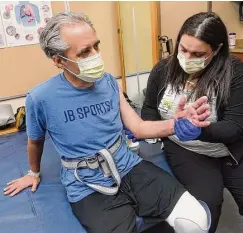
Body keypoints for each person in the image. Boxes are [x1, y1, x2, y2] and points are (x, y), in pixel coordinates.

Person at [3, 12, 212, 233]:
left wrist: (175, 124)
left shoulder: (109, 83)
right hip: (85, 183)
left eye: (96, 46)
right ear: (58, 61)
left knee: (195, 220)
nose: (95, 55)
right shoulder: (40, 98)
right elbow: (35, 142)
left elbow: (139, 128)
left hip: (127, 164)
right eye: (84, 52)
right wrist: (33, 173)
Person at [141, 12, 243, 233]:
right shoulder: (163, 70)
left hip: (232, 148)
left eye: (198, 53)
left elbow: (232, 128)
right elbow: (150, 108)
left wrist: (197, 129)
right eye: (183, 49)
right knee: (205, 211)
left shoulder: (236, 73)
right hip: (187, 149)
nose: (188, 58)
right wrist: (162, 129)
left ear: (217, 50)